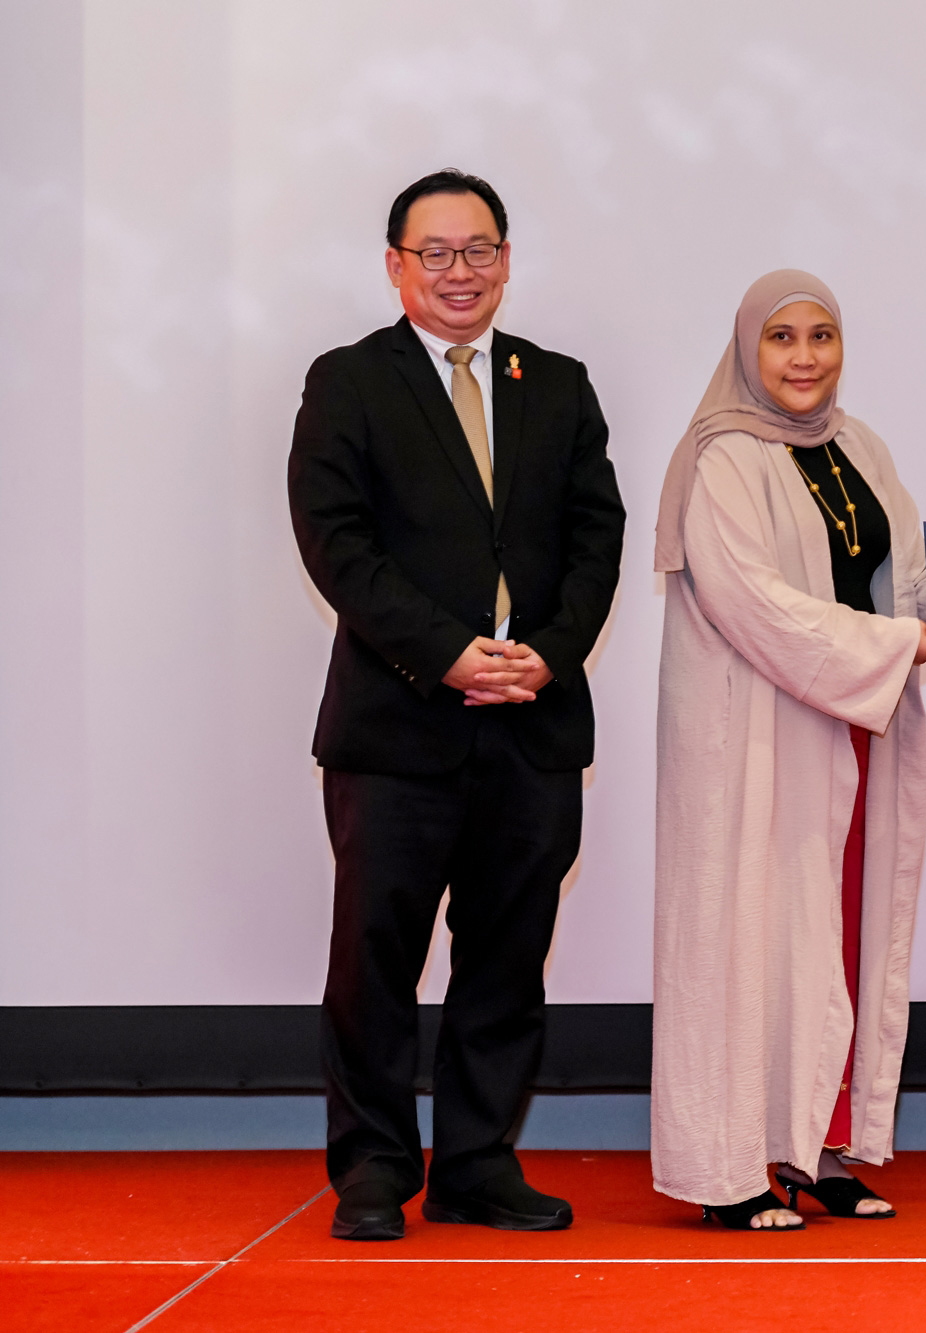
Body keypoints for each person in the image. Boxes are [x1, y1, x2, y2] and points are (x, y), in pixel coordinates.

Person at [651, 271, 926, 1231]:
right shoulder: (720, 458)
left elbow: (912, 585)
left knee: (844, 940)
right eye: (782, 337)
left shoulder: (860, 446)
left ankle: (820, 1149)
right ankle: (732, 1168)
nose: (805, 356)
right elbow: (751, 603)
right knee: (752, 938)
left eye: (822, 335)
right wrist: (895, 647)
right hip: (759, 742)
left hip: (858, 733)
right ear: (748, 348)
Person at [288, 169, 625, 1240]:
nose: (459, 271)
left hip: (530, 725)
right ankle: (376, 1167)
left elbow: (594, 540)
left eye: (478, 249)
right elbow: (337, 542)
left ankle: (479, 1161)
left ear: (507, 259)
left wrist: (544, 654)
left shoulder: (557, 384)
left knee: (507, 955)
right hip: (396, 727)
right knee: (375, 954)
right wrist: (447, 655)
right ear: (395, 266)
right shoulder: (348, 381)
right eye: (435, 252)